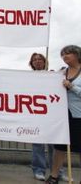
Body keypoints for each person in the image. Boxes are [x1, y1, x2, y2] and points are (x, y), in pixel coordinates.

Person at [46, 45, 81, 184]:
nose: (65, 56)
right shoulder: (61, 72)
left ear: (77, 55)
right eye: (63, 54)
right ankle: (54, 176)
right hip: (62, 115)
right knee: (59, 147)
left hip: (78, 115)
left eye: (68, 53)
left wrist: (72, 87)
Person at [29, 53, 67, 181]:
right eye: (35, 60)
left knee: (54, 145)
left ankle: (57, 172)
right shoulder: (27, 77)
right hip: (36, 115)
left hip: (52, 115)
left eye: (40, 59)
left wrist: (58, 75)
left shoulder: (52, 75)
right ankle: (39, 170)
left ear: (45, 61)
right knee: (38, 144)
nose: (37, 61)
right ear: (31, 63)